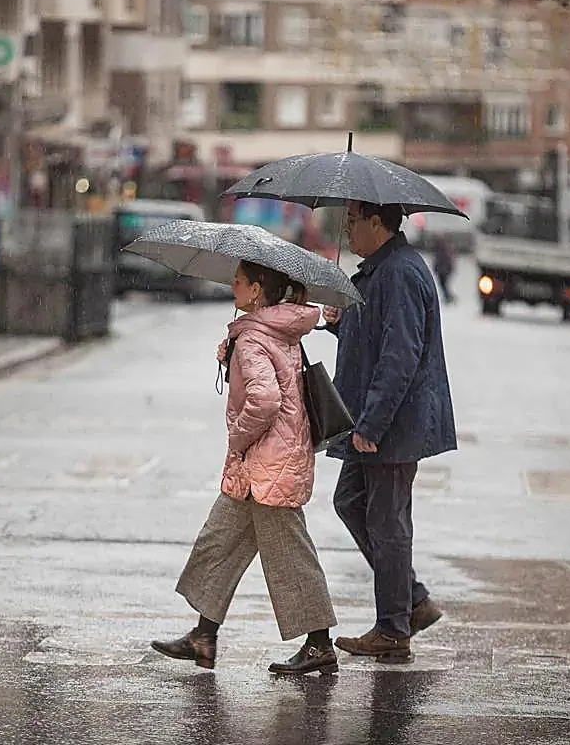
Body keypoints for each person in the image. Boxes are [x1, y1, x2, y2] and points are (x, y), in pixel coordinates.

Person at [151, 260, 339, 675]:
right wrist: (231, 358)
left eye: (238, 280)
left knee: (290, 556)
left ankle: (320, 645)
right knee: (219, 543)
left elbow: (266, 400)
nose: (231, 284)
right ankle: (203, 637)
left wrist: (237, 436)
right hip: (263, 466)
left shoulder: (255, 338)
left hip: (266, 464)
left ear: (256, 291)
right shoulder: (272, 330)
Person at [321, 201, 457, 662]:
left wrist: (372, 424)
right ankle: (412, 601)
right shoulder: (380, 270)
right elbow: (376, 337)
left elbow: (400, 354)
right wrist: (341, 324)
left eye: (353, 220)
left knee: (388, 521)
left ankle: (394, 628)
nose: (347, 229)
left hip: (393, 422)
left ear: (377, 223)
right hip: (375, 416)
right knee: (351, 502)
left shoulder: (399, 272)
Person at [432, 235, 456, 304]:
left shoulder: (442, 250)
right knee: (443, 285)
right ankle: (448, 297)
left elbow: (440, 260)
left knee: (443, 284)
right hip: (443, 270)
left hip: (443, 270)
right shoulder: (445, 249)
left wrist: (437, 268)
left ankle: (449, 297)